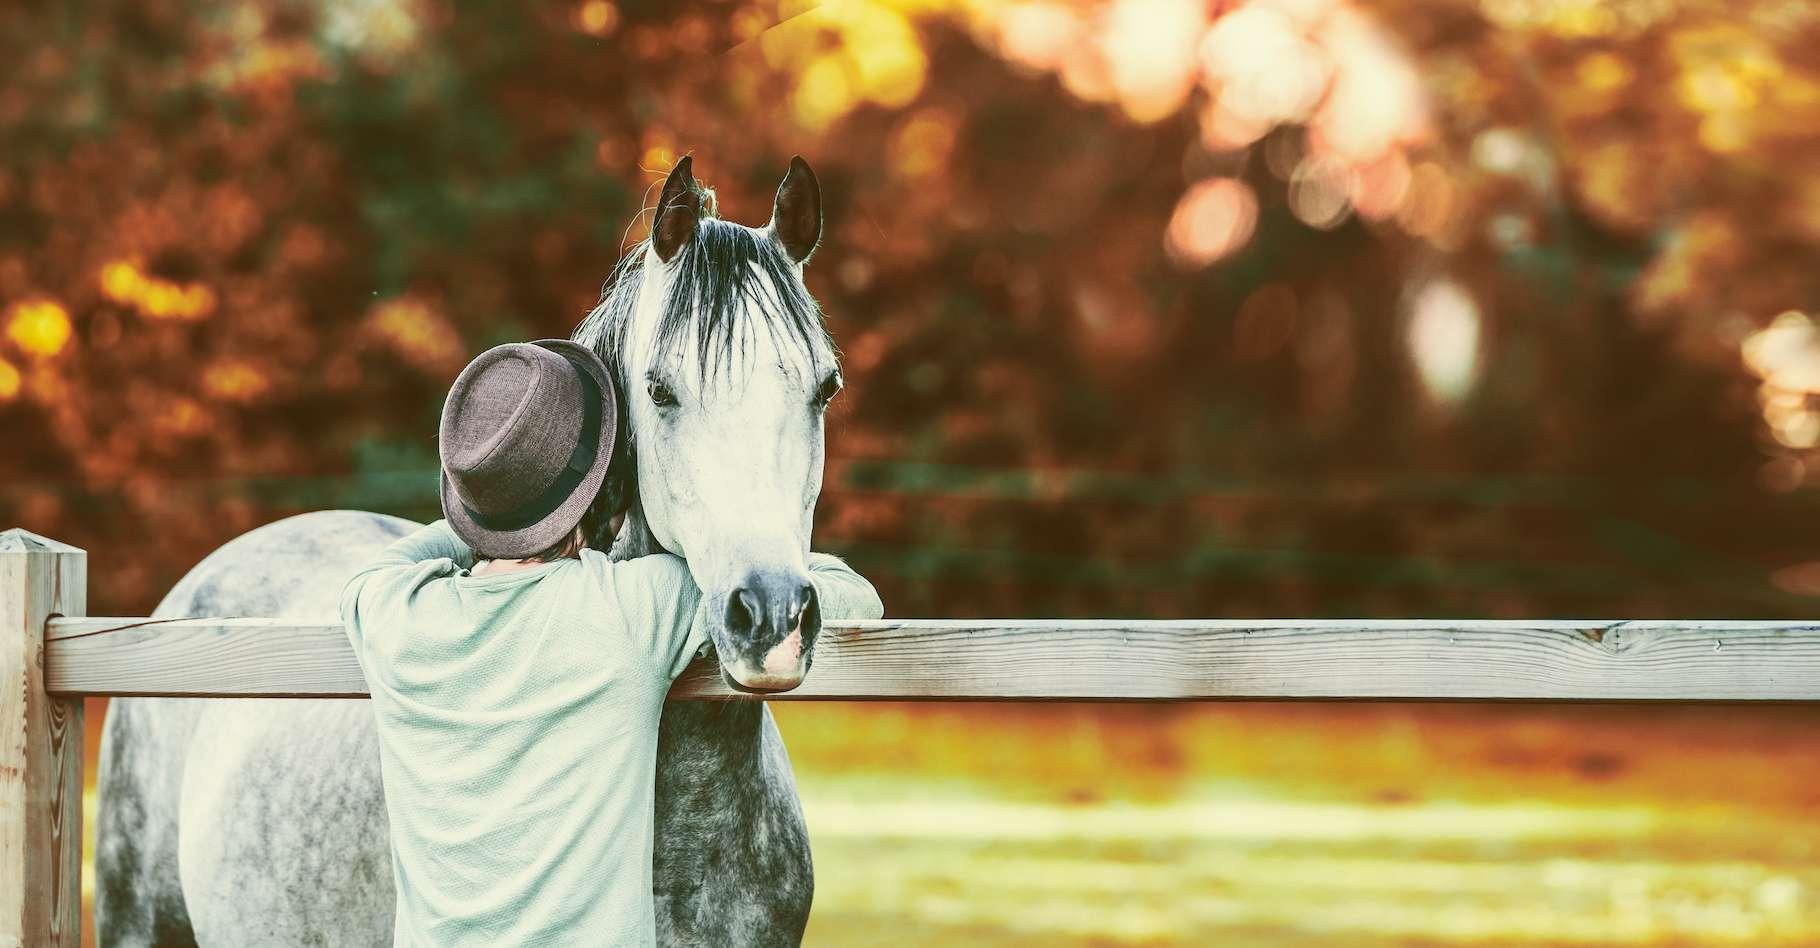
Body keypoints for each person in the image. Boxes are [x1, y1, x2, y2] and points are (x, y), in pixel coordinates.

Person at [339, 339, 881, 946]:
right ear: (594, 493)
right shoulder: (629, 607)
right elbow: (849, 596)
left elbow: (388, 564)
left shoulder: (390, 610)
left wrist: (491, 514)